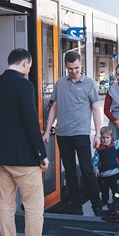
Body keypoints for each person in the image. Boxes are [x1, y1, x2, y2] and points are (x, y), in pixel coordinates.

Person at [0, 48, 62, 236]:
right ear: (26, 64)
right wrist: (42, 154)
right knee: (34, 206)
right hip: (23, 159)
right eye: (29, 66)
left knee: (6, 206)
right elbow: (30, 122)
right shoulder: (24, 85)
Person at [43, 51, 104, 216]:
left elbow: (96, 109)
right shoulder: (60, 83)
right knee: (69, 172)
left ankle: (97, 206)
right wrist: (47, 131)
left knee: (87, 170)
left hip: (81, 133)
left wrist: (98, 134)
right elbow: (54, 107)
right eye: (70, 69)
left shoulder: (89, 83)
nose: (74, 72)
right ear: (65, 67)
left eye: (76, 68)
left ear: (81, 64)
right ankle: (76, 207)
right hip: (63, 134)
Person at [93, 127, 119, 209]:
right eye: (103, 138)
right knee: (104, 190)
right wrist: (96, 169)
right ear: (100, 137)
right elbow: (95, 160)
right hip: (103, 174)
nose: (105, 140)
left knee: (115, 189)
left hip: (114, 173)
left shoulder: (114, 145)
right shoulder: (98, 149)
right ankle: (104, 200)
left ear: (111, 138)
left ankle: (117, 199)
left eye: (107, 137)